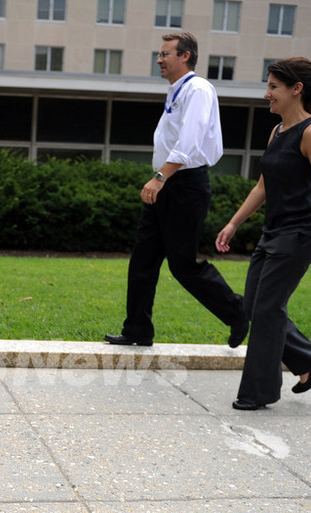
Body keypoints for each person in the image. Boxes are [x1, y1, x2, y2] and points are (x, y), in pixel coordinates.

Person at [215, 57, 311, 411]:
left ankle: (258, 392)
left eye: (273, 87)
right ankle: (307, 360)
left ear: (296, 89)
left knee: (269, 308)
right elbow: (263, 186)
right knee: (256, 306)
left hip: (302, 232)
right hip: (274, 231)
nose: (266, 94)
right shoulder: (277, 132)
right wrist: (234, 222)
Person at [105, 31, 247, 349]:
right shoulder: (176, 91)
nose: (159, 59)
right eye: (160, 54)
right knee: (143, 258)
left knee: (182, 265)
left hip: (185, 185)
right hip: (169, 184)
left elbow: (190, 142)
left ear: (185, 56)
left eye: (165, 54)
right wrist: (161, 180)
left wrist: (159, 177)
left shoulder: (197, 90)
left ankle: (238, 312)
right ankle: (138, 329)